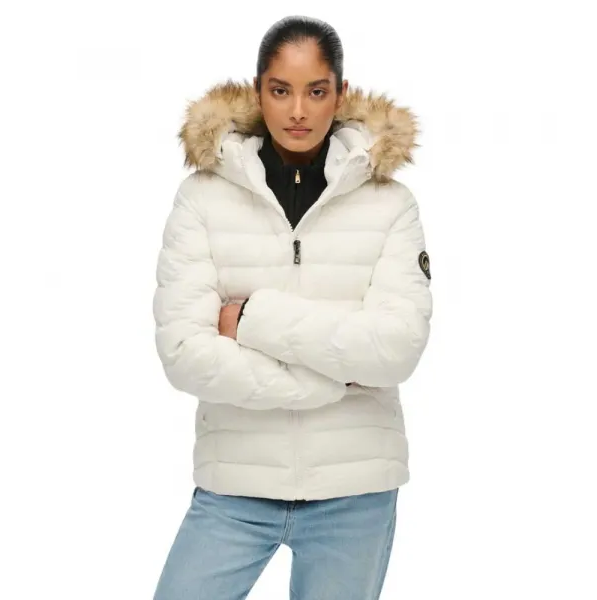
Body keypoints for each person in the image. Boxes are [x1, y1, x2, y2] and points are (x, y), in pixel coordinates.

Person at [151, 14, 433, 600]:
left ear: (341, 94)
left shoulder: (391, 204)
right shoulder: (202, 197)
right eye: (281, 90)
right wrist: (332, 380)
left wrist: (249, 320)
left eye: (316, 91)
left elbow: (395, 350)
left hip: (355, 489)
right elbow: (183, 353)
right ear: (258, 92)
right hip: (235, 484)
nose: (298, 111)